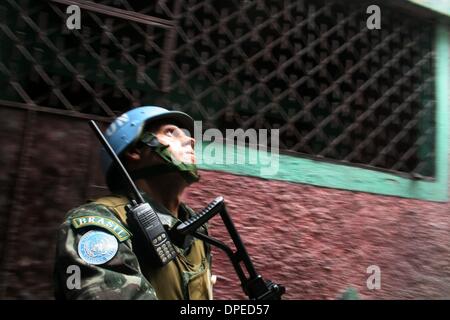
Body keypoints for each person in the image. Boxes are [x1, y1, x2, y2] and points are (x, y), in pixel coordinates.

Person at [53, 106, 214, 300]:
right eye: (171, 132)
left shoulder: (197, 228)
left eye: (186, 134)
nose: (191, 140)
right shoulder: (97, 222)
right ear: (135, 150)